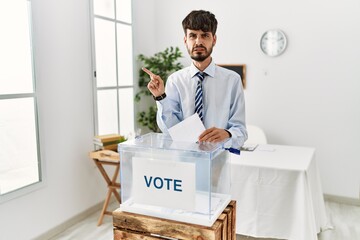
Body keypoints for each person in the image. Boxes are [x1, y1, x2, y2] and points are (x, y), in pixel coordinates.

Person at [143, 10, 247, 149]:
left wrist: (227, 134)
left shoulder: (232, 80)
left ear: (214, 39)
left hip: (219, 159)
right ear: (185, 40)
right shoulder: (175, 80)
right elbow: (170, 131)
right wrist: (160, 97)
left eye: (205, 35)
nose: (198, 41)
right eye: (193, 36)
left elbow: (241, 131)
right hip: (185, 159)